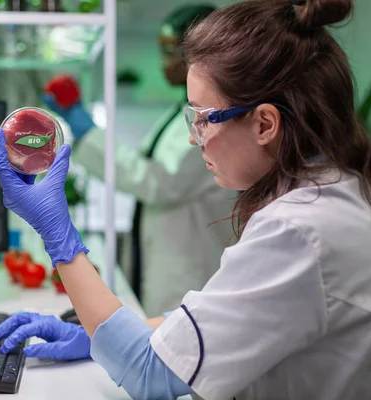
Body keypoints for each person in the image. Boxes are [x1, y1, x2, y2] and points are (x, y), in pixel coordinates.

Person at [0, 0, 371, 398]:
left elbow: (148, 374)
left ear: (265, 123)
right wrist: (99, 336)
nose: (193, 137)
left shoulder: (299, 229)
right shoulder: (340, 188)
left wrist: (57, 233)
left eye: (203, 119)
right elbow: (229, 321)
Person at [43, 4, 236, 317]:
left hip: (190, 274)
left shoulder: (216, 122)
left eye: (170, 52)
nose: (163, 63)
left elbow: (159, 183)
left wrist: (89, 131)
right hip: (168, 265)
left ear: (201, 54)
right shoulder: (178, 114)